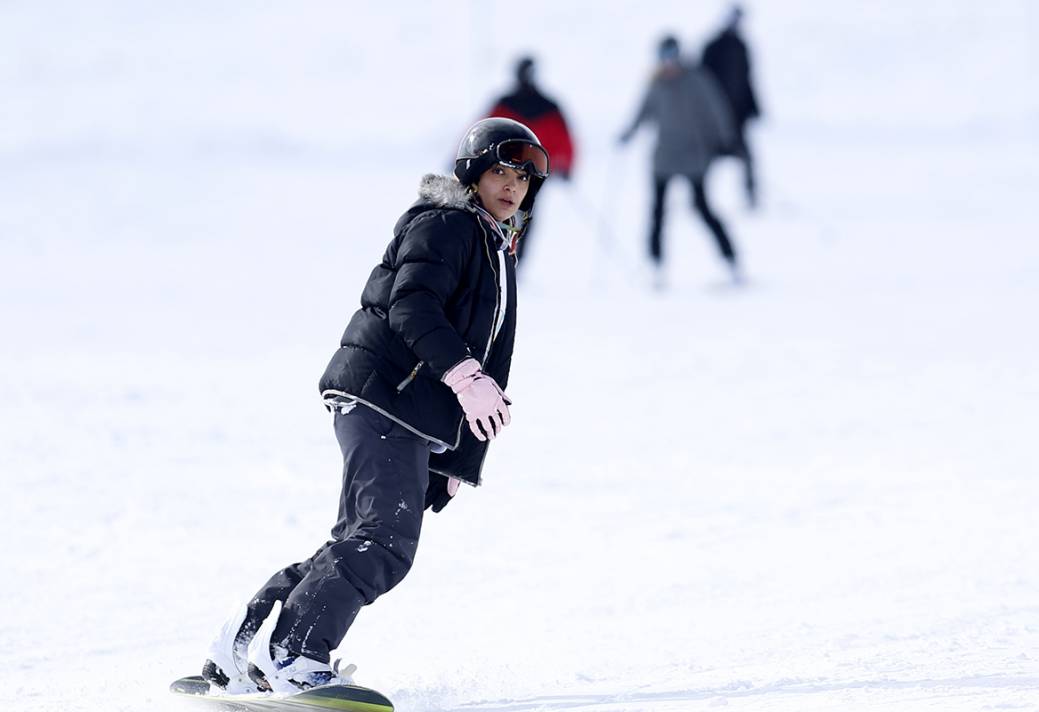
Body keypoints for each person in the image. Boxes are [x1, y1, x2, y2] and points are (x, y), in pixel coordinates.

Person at [199, 118, 550, 695]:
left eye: (523, 178)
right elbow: (412, 306)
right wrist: (462, 375)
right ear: (472, 175)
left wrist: (457, 457)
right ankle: (294, 654)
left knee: (361, 536)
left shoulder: (493, 246)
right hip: (388, 395)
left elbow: (491, 359)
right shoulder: (448, 225)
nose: (512, 186)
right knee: (384, 540)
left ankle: (243, 652)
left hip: (402, 407)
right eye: (499, 173)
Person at [619, 36, 740, 286]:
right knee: (657, 212)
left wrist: (726, 139)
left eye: (672, 57)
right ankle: (655, 264)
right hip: (664, 157)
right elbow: (643, 111)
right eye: (664, 57)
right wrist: (629, 133)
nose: (668, 63)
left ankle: (730, 260)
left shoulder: (697, 80)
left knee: (702, 208)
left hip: (693, 156)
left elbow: (716, 110)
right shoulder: (656, 83)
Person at [485, 56, 574, 266]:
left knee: (507, 209)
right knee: (520, 212)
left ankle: (508, 257)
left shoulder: (508, 103)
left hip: (518, 169)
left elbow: (484, 132)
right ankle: (510, 256)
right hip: (531, 170)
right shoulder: (546, 105)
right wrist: (566, 165)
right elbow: (484, 131)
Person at [701, 4, 762, 209]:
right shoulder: (713, 47)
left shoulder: (742, 47)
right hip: (714, 119)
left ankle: (751, 195)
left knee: (747, 158)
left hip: (738, 117)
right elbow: (702, 82)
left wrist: (754, 107)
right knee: (705, 160)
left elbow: (747, 81)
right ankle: (699, 199)